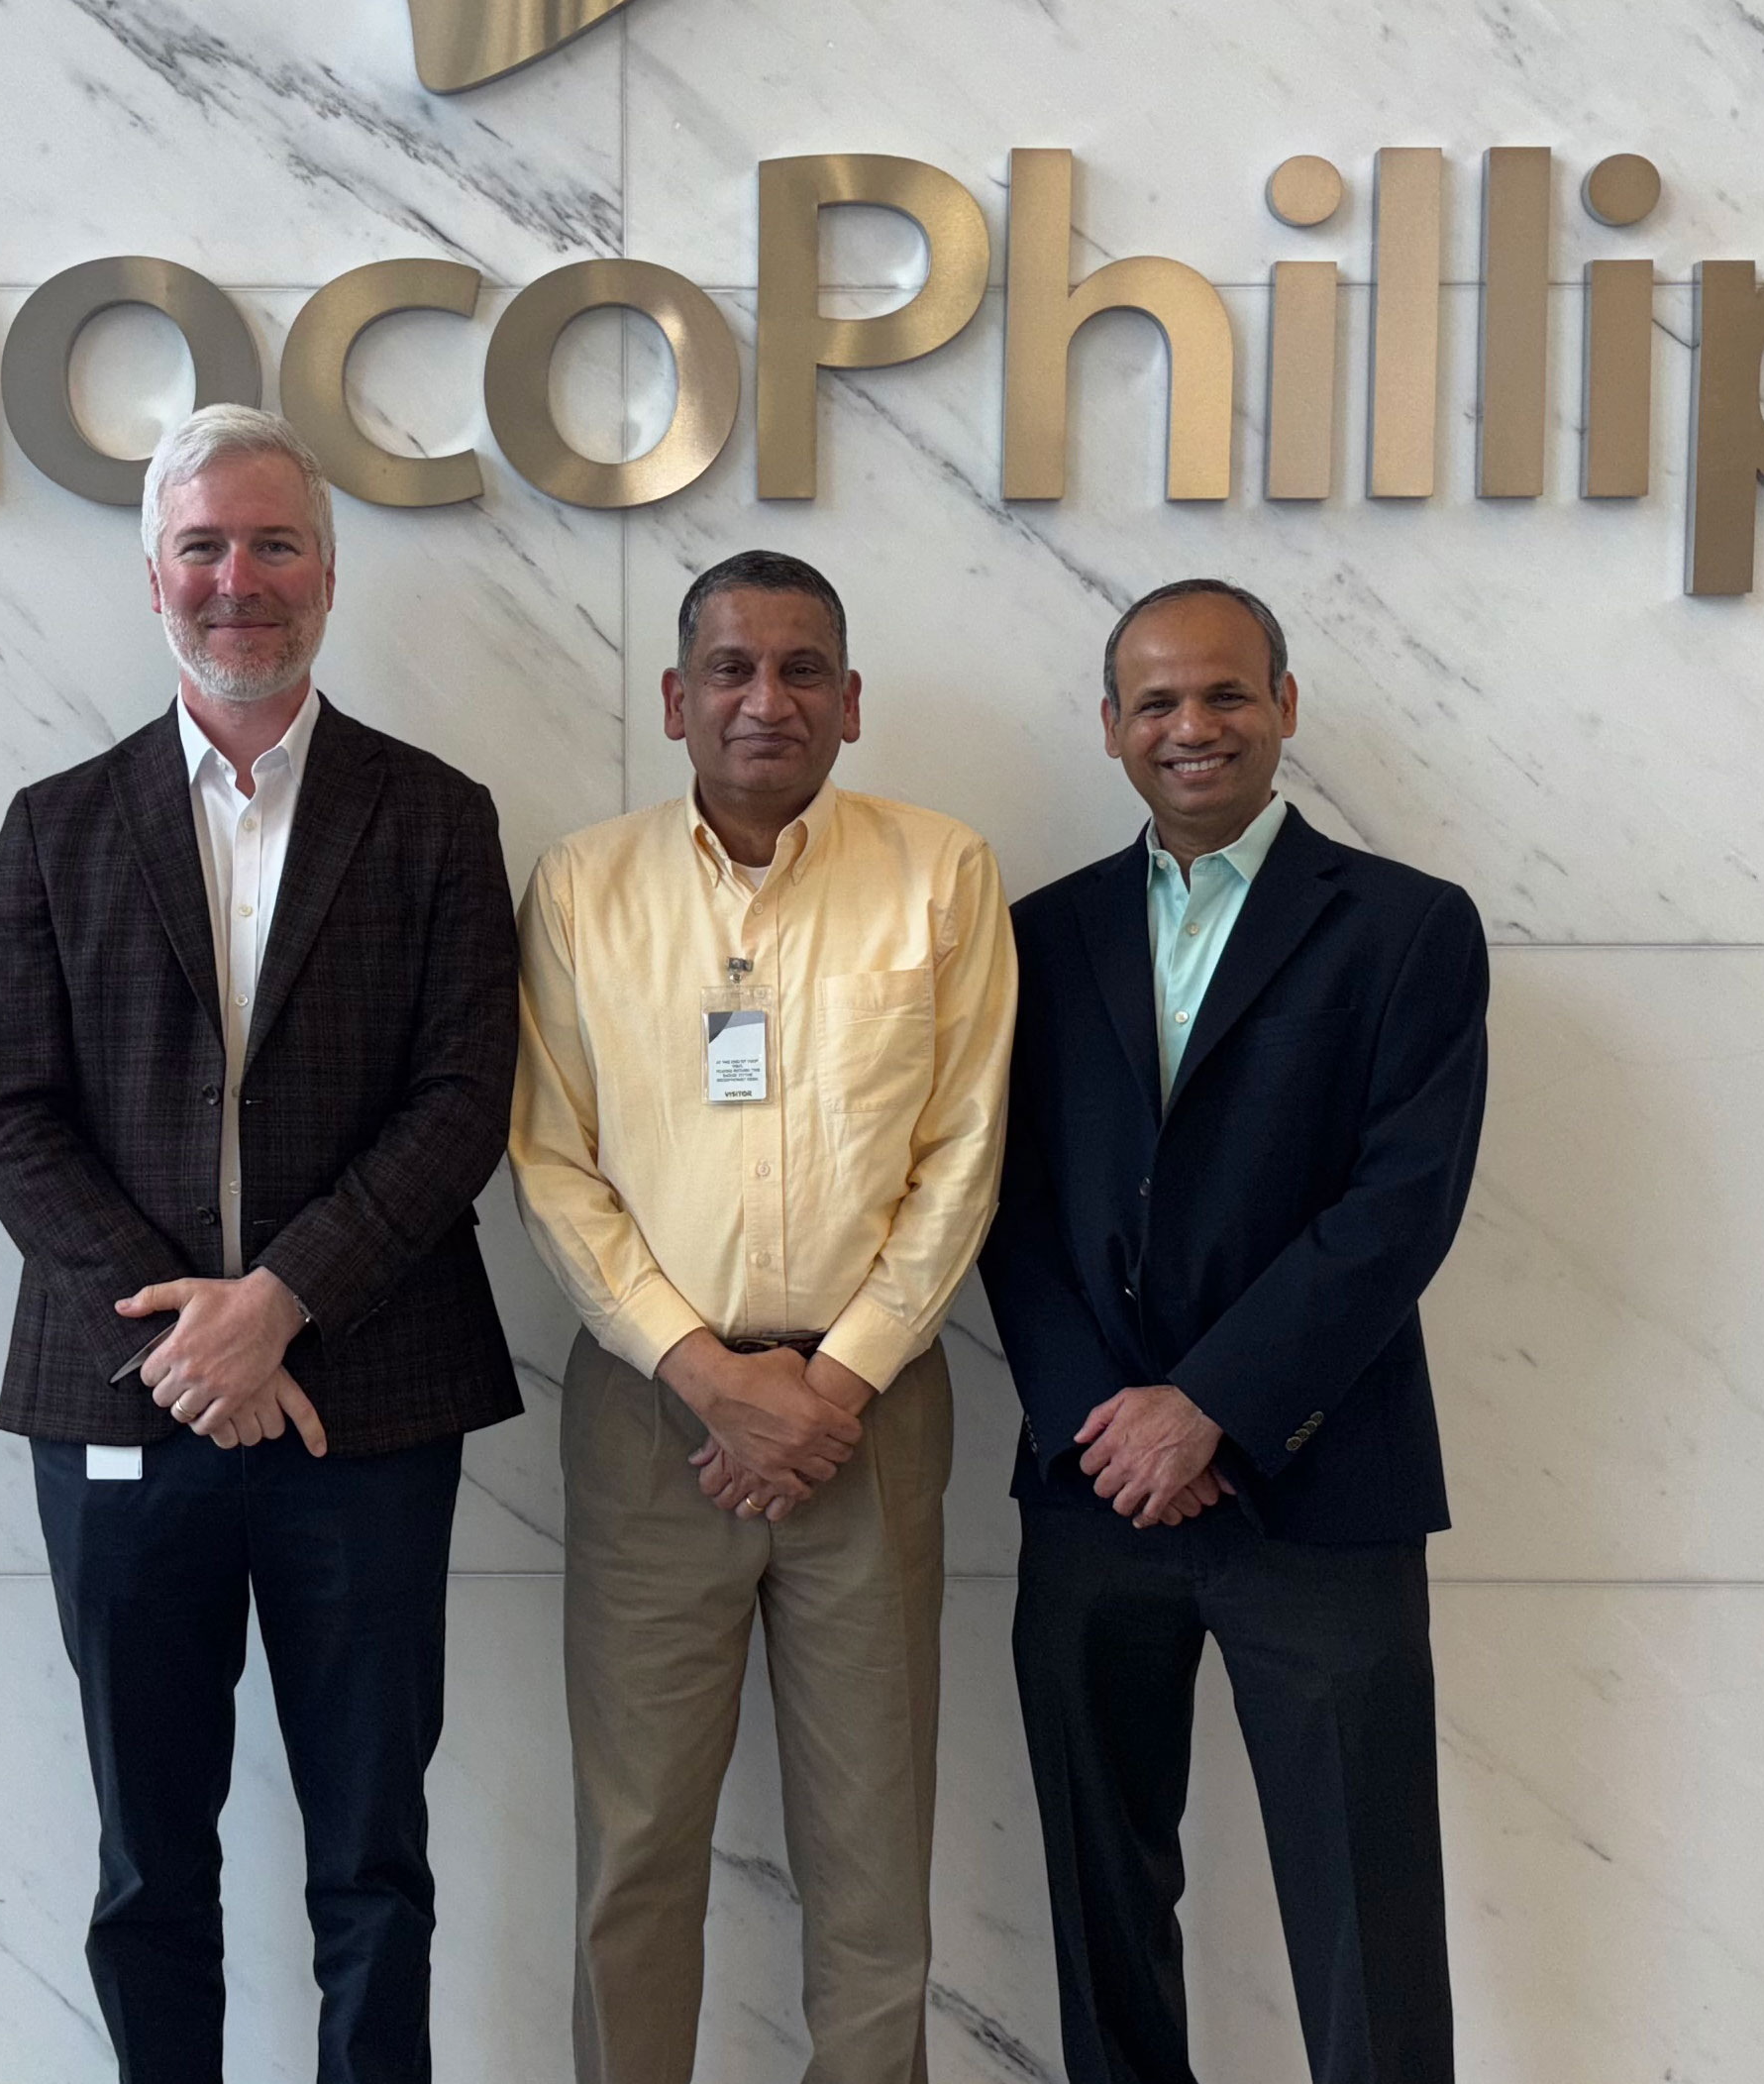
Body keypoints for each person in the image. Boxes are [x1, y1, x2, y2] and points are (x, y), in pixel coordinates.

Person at [0, 403, 522, 2084]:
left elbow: (461, 1100)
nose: (238, 579)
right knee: (150, 1863)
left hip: (371, 1405)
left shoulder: (432, 817)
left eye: (273, 544)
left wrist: (277, 1303)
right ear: (153, 581)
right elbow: (9, 1120)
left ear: (329, 577)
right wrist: (184, 1344)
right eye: (203, 546)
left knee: (374, 1857)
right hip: (122, 1412)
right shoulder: (54, 827)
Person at [508, 550, 1017, 2084]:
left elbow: (964, 1153)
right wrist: (702, 1370)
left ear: (849, 704)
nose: (764, 699)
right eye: (729, 668)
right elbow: (551, 1158)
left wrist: (832, 1381)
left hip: (873, 1413)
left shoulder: (940, 873)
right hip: (649, 1416)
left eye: (802, 671)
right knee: (637, 1848)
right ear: (674, 699)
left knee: (872, 1862)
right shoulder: (585, 886)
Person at [979, 578, 1491, 2084]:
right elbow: (1002, 1206)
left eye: (1221, 696)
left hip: (1318, 1492)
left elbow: (1400, 1206)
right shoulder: (1034, 937)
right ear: (1109, 727)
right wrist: (1108, 1419)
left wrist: (1207, 1406)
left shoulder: (1406, 927)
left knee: (1364, 1912)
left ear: (1282, 704)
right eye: (1155, 702)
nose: (1189, 728)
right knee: (1100, 1896)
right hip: (1092, 1495)